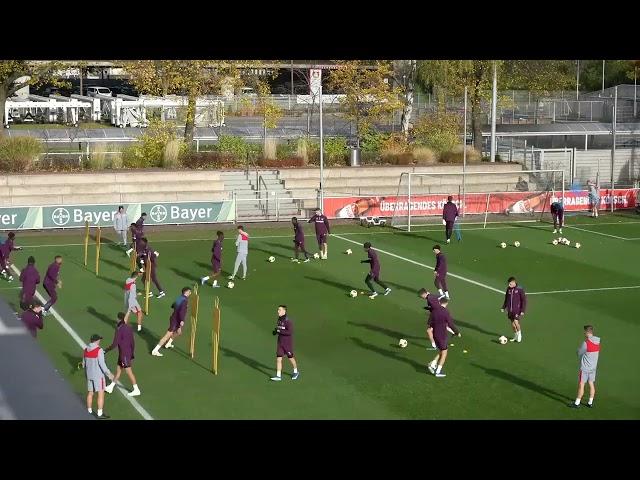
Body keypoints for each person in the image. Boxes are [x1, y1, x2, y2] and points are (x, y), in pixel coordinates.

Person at [104, 312, 140, 397]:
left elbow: (115, 343)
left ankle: (136, 389)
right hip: (126, 352)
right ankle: (111, 387)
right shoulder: (129, 327)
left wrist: (106, 350)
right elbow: (132, 341)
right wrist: (132, 352)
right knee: (118, 370)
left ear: (118, 319)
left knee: (128, 371)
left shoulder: (119, 329)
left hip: (124, 354)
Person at [151, 287, 191, 356]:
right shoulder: (184, 301)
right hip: (176, 320)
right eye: (189, 292)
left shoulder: (180, 297)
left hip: (174, 318)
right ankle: (155, 350)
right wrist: (182, 320)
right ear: (186, 292)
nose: (190, 293)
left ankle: (168, 343)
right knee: (167, 335)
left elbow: (173, 305)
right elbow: (182, 312)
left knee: (178, 332)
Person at [82, 333, 114, 419]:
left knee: (90, 393)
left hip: (89, 375)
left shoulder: (85, 350)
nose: (100, 341)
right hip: (98, 376)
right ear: (96, 341)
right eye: (99, 339)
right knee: (101, 394)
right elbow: (102, 365)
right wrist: (109, 374)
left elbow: (83, 364)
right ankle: (100, 414)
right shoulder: (99, 350)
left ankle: (89, 410)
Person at [427, 297, 460, 378]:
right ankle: (438, 371)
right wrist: (457, 332)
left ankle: (433, 364)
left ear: (439, 302)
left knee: (442, 350)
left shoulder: (434, 311)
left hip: (435, 335)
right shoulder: (445, 312)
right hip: (442, 336)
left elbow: (429, 323)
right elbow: (451, 324)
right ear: (446, 303)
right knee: (444, 353)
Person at [570, 325, 601, 409]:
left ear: (587, 332)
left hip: (585, 368)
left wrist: (578, 351)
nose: (584, 333)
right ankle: (590, 402)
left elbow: (579, 352)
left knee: (581, 384)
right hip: (593, 368)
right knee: (591, 384)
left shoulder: (586, 343)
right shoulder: (598, 341)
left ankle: (577, 403)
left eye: (584, 331)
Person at [270, 305, 300, 381]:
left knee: (290, 357)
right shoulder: (279, 320)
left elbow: (290, 332)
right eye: (278, 310)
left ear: (284, 311)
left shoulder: (288, 321)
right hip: (280, 343)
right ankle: (278, 376)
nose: (278, 311)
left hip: (287, 343)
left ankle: (296, 372)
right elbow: (279, 328)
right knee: (278, 359)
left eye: (279, 310)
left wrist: (279, 331)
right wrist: (275, 331)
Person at [501, 276, 527, 343]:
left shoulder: (519, 289)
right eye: (508, 284)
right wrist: (503, 307)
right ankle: (515, 336)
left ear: (514, 282)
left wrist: (522, 310)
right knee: (512, 324)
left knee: (516, 322)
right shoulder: (508, 289)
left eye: (510, 284)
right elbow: (506, 299)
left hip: (517, 310)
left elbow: (524, 300)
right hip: (510, 310)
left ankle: (519, 335)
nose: (509, 285)